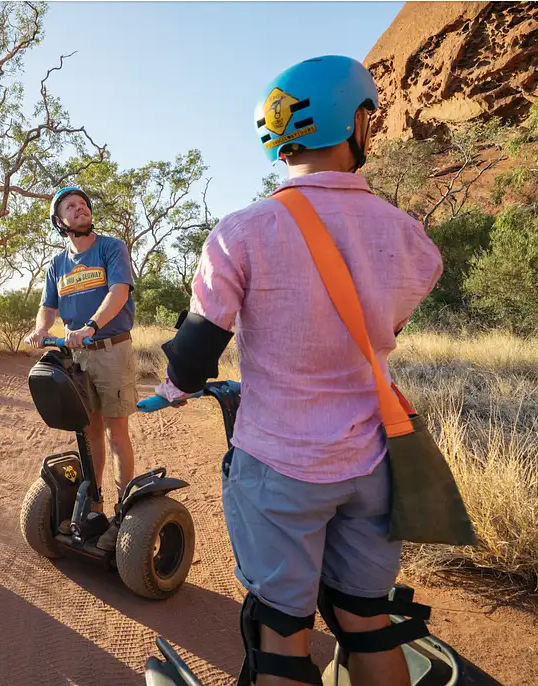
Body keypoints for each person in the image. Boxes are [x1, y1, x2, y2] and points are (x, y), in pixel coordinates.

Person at [157, 56, 443, 686]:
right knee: (368, 618)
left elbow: (198, 347)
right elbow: (381, 332)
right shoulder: (412, 240)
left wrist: (173, 389)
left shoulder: (241, 232)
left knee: (281, 633)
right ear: (356, 125)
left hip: (279, 462)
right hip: (372, 460)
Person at [24, 186, 138, 551]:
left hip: (109, 349)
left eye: (83, 204)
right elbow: (48, 306)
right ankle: (96, 503)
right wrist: (42, 329)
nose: (80, 209)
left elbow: (118, 292)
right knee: (90, 431)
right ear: (59, 221)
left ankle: (125, 511)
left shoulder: (110, 247)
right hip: (76, 356)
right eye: (71, 207)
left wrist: (90, 326)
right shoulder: (57, 264)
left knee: (116, 432)